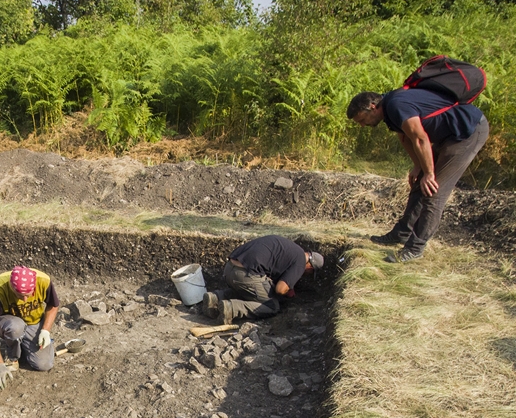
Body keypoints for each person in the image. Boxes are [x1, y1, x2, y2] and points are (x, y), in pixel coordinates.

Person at [346, 87, 489, 261]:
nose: (362, 125)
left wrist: (429, 173)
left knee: (433, 191)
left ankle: (415, 248)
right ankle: (401, 234)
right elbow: (405, 137)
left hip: (468, 131)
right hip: (450, 134)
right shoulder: (390, 108)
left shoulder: (396, 105)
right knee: (419, 182)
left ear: (373, 107)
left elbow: (420, 139)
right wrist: (418, 166)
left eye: (362, 120)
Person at [202, 235, 323, 322]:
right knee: (271, 306)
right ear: (310, 267)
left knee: (252, 292)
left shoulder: (290, 248)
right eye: (309, 273)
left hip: (229, 269)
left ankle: (216, 297)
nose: (306, 274)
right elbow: (280, 289)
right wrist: (286, 291)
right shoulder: (301, 262)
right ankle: (232, 308)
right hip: (245, 275)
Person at [0, 265, 60, 390]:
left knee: (44, 364)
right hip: (10, 323)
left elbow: (53, 305)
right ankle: (13, 356)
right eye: (19, 295)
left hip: (33, 322)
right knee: (16, 327)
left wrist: (45, 330)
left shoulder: (43, 281)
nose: (24, 300)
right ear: (11, 286)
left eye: (28, 295)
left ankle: (22, 345)